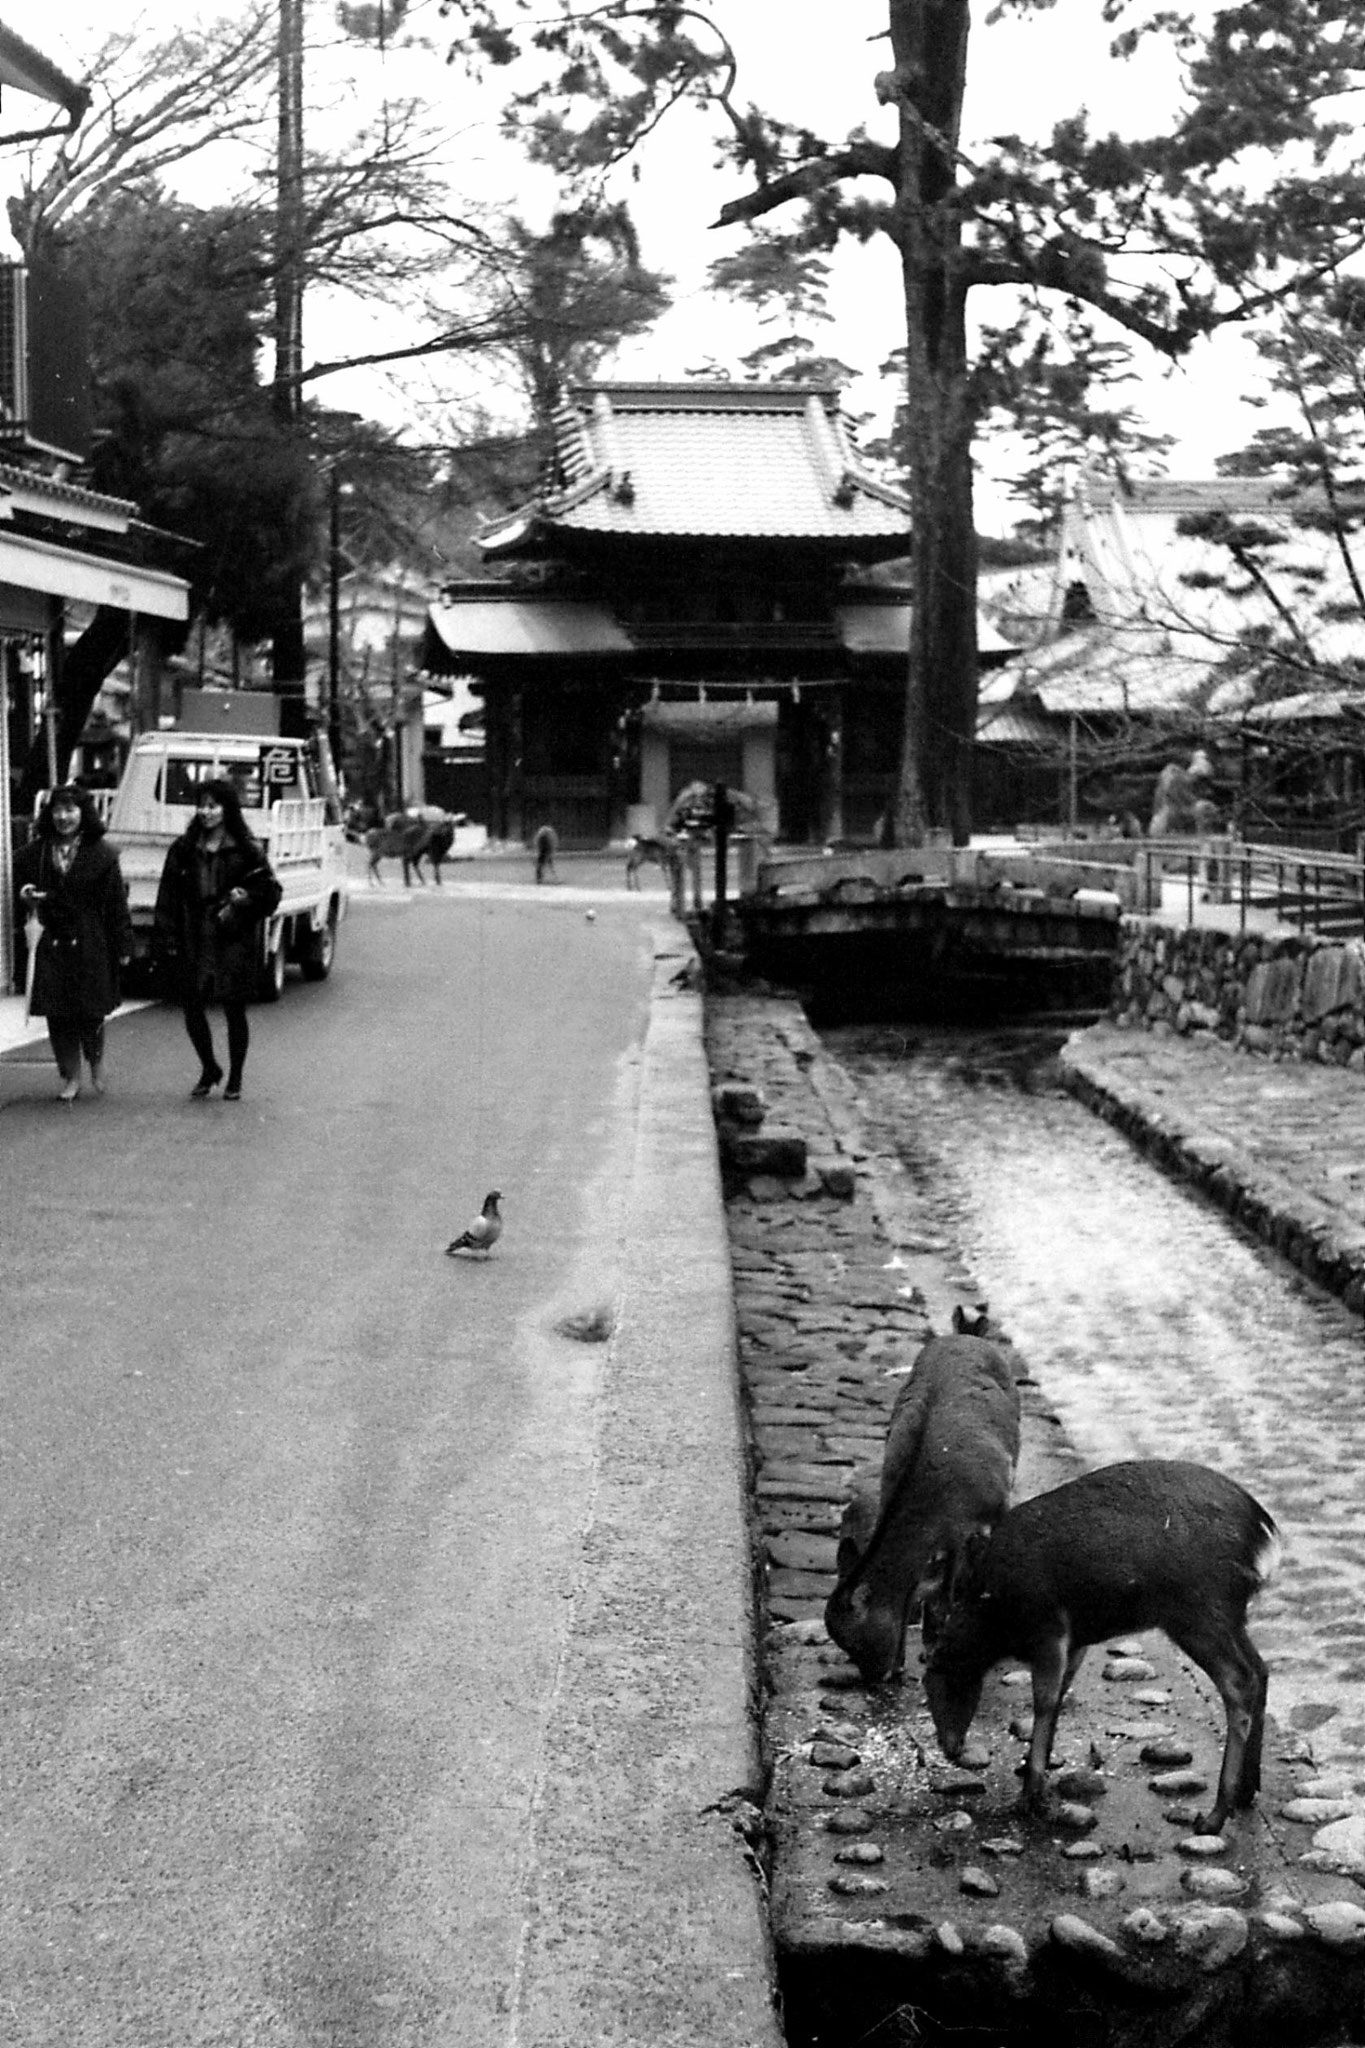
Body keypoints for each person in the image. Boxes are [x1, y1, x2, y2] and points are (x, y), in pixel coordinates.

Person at [153, 777, 282, 1101]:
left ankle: (235, 1076)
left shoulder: (246, 849)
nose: (205, 812)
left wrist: (245, 900)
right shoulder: (183, 849)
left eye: (212, 806)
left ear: (227, 809)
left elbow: (271, 893)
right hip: (193, 933)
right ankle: (210, 1067)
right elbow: (167, 895)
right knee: (191, 1006)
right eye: (201, 806)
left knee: (234, 1008)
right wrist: (165, 935)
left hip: (231, 936)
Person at [14, 783, 133, 1103]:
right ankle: (70, 1076)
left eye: (70, 810)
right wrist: (27, 893)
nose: (63, 817)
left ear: (83, 813)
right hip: (51, 940)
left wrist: (123, 946)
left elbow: (115, 903)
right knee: (58, 1013)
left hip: (90, 940)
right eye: (57, 810)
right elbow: (19, 889)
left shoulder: (102, 855)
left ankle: (95, 1061)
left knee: (91, 1012)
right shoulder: (34, 854)